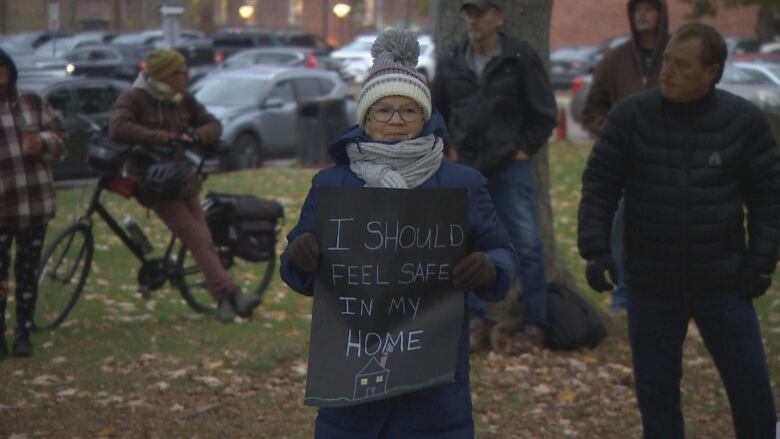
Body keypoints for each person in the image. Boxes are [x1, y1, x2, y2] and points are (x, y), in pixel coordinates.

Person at [281, 29, 517, 438]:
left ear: (424, 118)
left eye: (407, 111)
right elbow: (296, 268)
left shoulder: (462, 184)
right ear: (366, 118)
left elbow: (504, 252)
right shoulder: (331, 185)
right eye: (383, 110)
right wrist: (300, 256)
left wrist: (489, 267)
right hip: (351, 390)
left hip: (433, 390)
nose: (394, 121)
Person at [578, 23, 779, 439]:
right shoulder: (632, 116)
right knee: (656, 396)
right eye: (666, 60)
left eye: (681, 65)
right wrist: (596, 250)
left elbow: (768, 197)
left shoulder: (743, 122)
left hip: (724, 282)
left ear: (712, 72)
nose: (666, 71)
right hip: (652, 282)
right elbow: (600, 185)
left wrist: (761, 262)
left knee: (752, 393)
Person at [431, 0, 557, 352]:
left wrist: (523, 150)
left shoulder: (519, 58)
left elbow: (544, 112)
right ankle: (475, 321)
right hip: (465, 167)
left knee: (527, 245)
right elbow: (436, 111)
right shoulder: (453, 59)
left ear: (498, 17)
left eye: (481, 12)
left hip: (510, 166)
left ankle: (535, 325)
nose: (474, 20)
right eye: (469, 13)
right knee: (465, 245)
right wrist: (449, 148)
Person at [109, 49, 259, 322]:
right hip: (152, 182)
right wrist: (163, 138)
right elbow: (118, 127)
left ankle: (223, 303)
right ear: (166, 75)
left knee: (203, 239)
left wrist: (196, 135)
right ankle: (233, 293)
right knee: (198, 238)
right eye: (180, 73)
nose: (186, 77)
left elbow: (213, 124)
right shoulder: (135, 98)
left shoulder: (183, 100)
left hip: (182, 179)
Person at [582, 0, 669, 315]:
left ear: (662, 13)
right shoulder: (615, 59)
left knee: (667, 229)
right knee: (620, 228)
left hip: (671, 161)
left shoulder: (674, 56)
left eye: (650, 8)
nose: (642, 14)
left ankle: (665, 294)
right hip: (625, 163)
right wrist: (614, 134)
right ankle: (622, 296)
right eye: (637, 9)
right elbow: (592, 108)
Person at [0, 48, 67, 358]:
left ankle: (23, 333)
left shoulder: (31, 101)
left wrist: (44, 143)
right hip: (3, 207)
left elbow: (61, 140)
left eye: (4, 68)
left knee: (27, 272)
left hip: (34, 204)